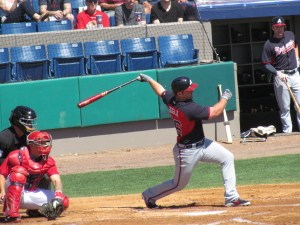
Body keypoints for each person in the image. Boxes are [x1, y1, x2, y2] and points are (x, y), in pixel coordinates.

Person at [138, 74, 251, 208]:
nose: (192, 90)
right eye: (189, 89)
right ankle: (149, 195)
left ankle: (231, 197)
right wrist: (225, 98)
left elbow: (161, 91)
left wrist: (149, 79)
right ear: (180, 93)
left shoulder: (171, 99)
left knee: (227, 157)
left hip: (203, 144)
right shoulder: (188, 109)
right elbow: (215, 112)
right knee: (178, 184)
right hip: (187, 152)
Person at [0, 130, 69, 222]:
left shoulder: (49, 161)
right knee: (19, 172)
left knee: (63, 201)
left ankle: (36, 211)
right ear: (31, 144)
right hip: (10, 192)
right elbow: (2, 174)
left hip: (29, 193)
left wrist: (58, 193)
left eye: (46, 142)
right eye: (40, 142)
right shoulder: (16, 155)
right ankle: (11, 213)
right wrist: (2, 191)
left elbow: (56, 180)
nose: (45, 145)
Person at [262, 16, 300, 133]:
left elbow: (295, 45)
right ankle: (287, 134)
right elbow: (265, 63)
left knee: (299, 105)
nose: (280, 30)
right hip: (281, 76)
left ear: (285, 27)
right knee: (285, 108)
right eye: (277, 27)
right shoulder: (269, 44)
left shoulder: (290, 35)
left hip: (295, 74)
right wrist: (277, 72)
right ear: (273, 27)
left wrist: (297, 57)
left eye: (281, 27)